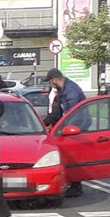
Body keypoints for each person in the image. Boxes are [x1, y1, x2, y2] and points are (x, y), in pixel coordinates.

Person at [44, 68, 86, 197]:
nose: (52, 84)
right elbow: (57, 112)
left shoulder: (71, 90)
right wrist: (45, 122)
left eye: (51, 81)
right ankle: (71, 182)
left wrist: (64, 129)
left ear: (56, 79)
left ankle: (76, 186)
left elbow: (73, 112)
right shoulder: (64, 90)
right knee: (67, 155)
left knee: (73, 156)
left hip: (77, 127)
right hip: (70, 126)